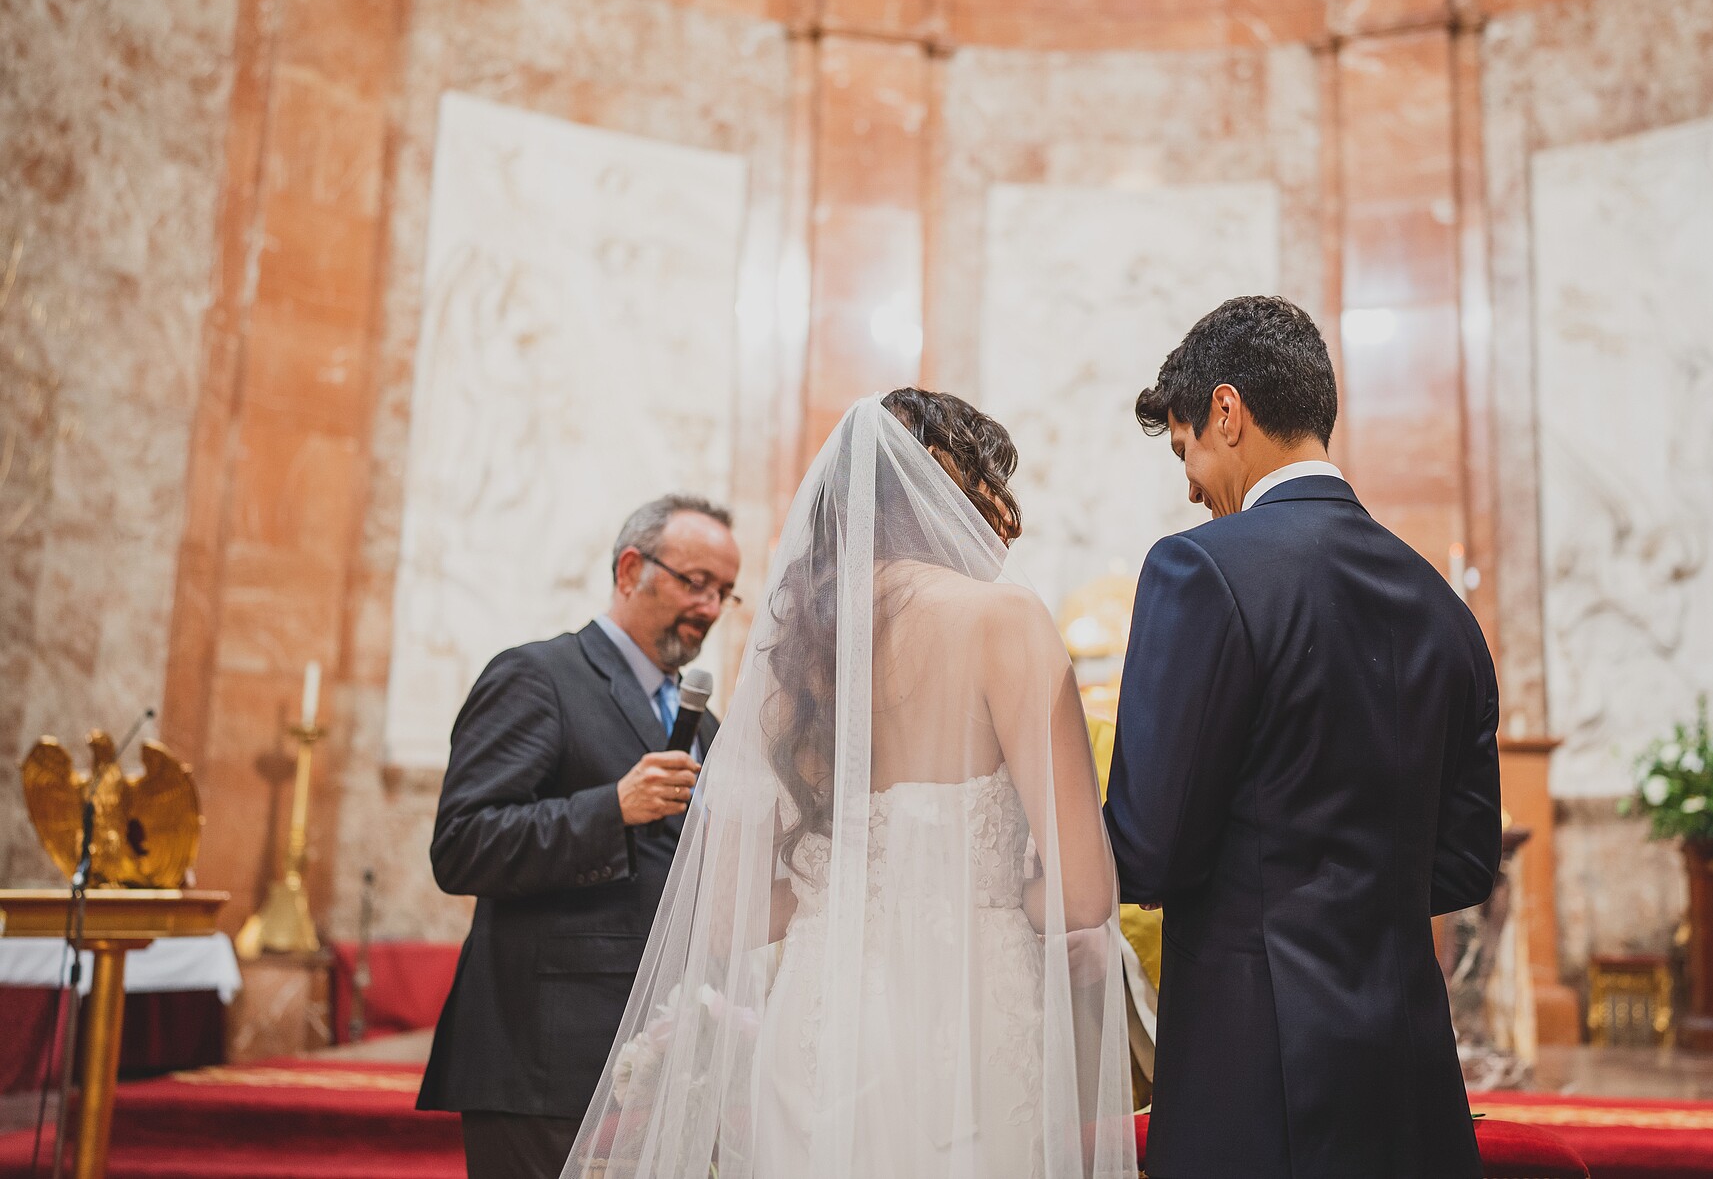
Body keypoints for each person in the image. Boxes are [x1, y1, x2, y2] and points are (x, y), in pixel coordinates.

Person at [562, 389, 1136, 1179]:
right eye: (992, 486)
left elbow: (724, 917)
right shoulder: (1006, 622)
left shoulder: (790, 656)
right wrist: (983, 890)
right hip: (964, 1019)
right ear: (943, 488)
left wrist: (838, 889)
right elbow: (1085, 893)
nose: (1006, 519)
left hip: (818, 1024)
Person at [1105, 296, 1502, 1178]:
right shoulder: (1444, 608)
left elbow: (1148, 850)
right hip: (1411, 1081)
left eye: (1185, 450)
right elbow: (1468, 863)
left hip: (1256, 1076)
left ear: (1227, 411)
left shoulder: (1199, 569)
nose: (1190, 485)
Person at [417, 495, 742, 1179]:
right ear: (630, 570)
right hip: (542, 1053)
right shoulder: (538, 677)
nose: (710, 607)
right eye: (695, 583)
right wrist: (611, 809)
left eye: (724, 592)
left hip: (657, 1061)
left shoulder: (704, 724)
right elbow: (462, 844)